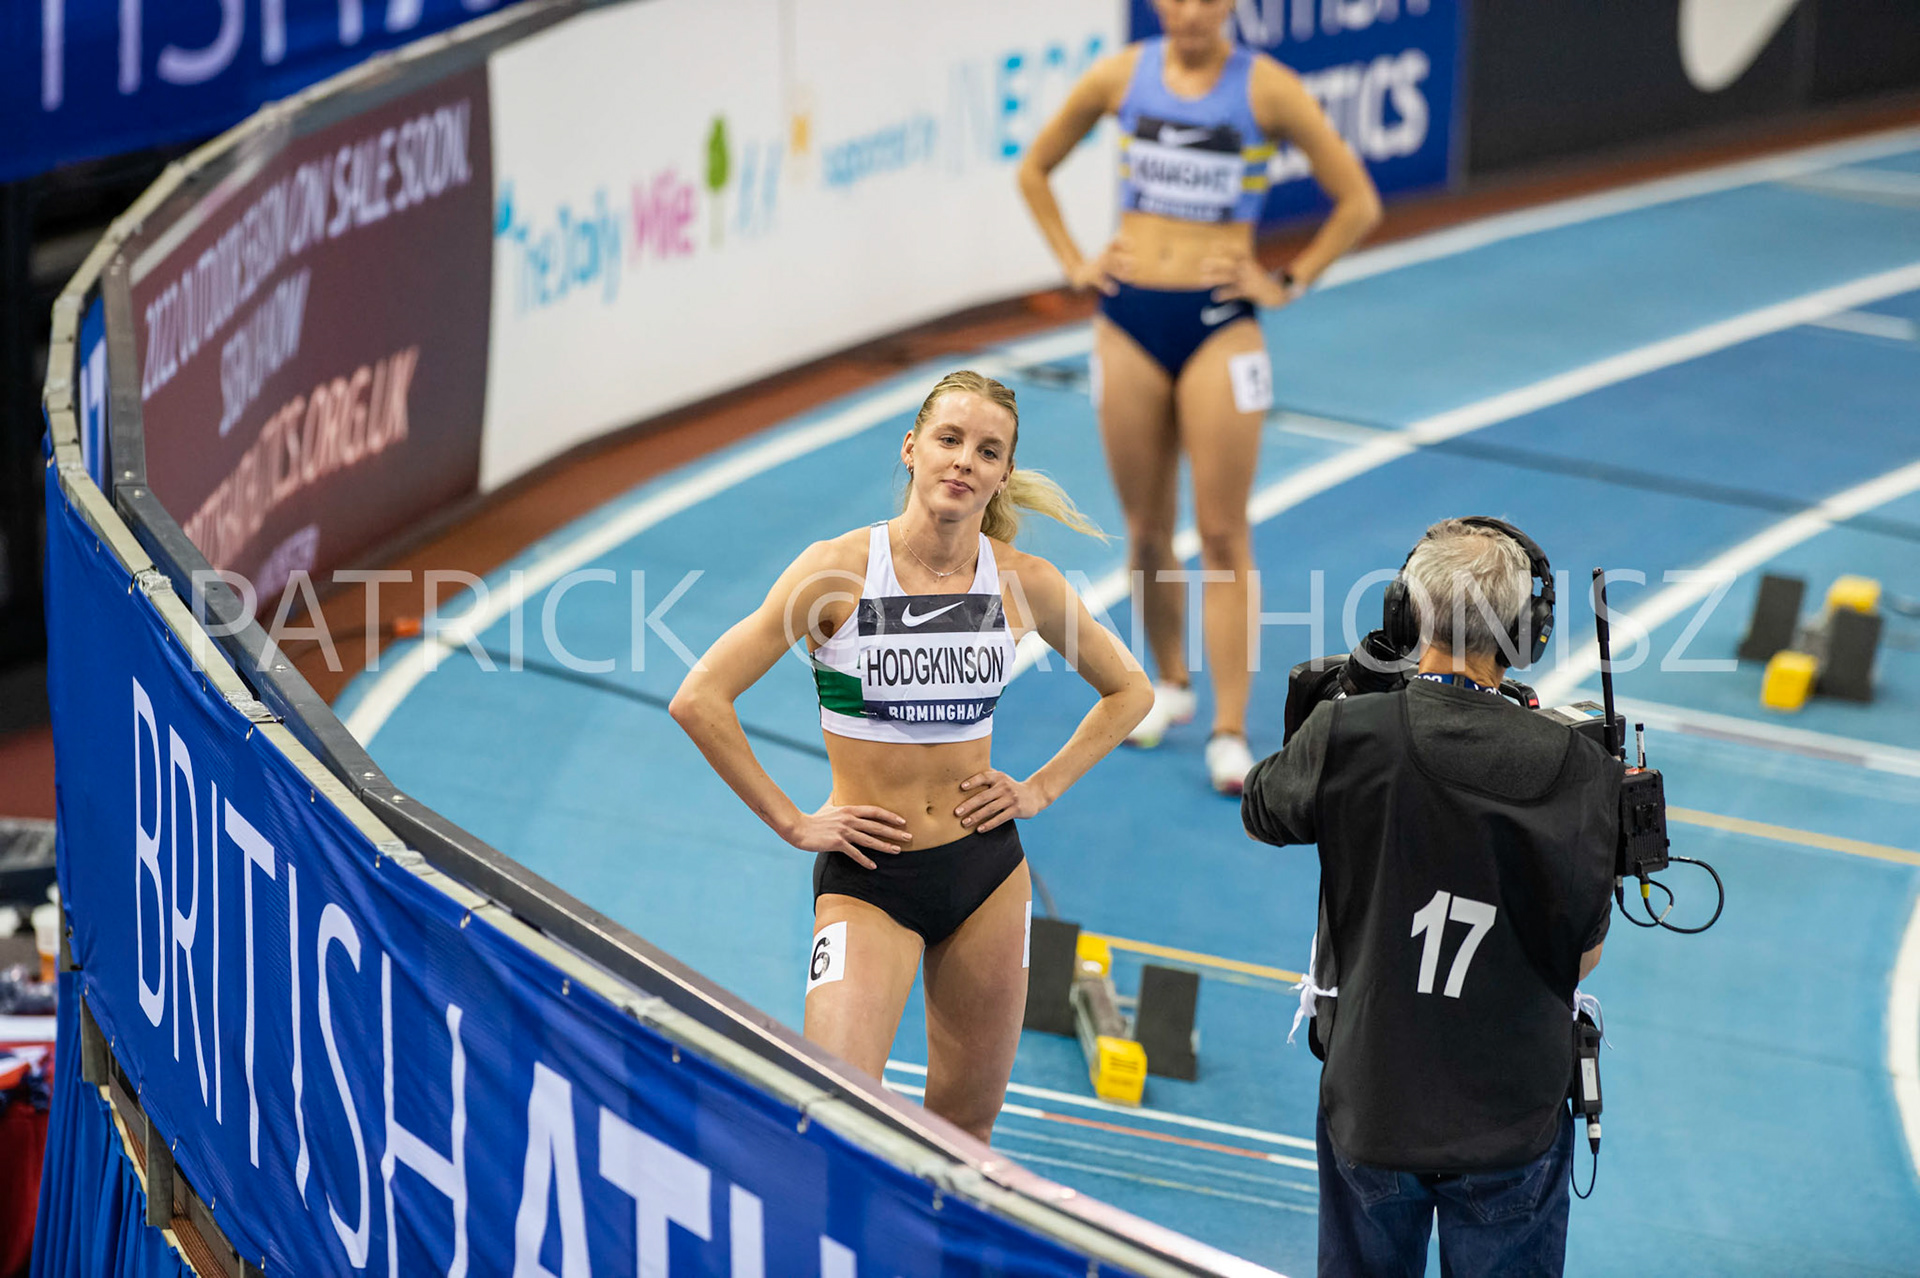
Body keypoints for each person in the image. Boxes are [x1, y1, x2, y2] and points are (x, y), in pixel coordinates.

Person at [669, 370, 1152, 1143]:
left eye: (987, 451)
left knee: (966, 1127)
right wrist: (793, 823)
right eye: (950, 440)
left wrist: (1039, 790)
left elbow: (1130, 691)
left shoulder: (1024, 583)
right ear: (912, 448)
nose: (965, 461)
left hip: (987, 875)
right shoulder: (837, 571)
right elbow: (700, 698)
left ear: (1002, 475)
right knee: (833, 1112)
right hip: (871, 879)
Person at [1017, 0, 1382, 794]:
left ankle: (1228, 729)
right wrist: (1075, 262)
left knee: (1221, 533)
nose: (1188, 11)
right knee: (1146, 530)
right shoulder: (1121, 75)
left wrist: (1286, 280)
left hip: (1220, 324)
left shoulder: (1269, 89)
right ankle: (1171, 684)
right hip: (1129, 320)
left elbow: (1357, 201)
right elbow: (1033, 167)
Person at [1240, 518, 1619, 1277]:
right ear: (1523, 631)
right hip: (1508, 1119)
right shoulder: (1580, 766)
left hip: (1372, 1101)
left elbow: (1263, 808)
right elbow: (1582, 959)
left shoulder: (1350, 731)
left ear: (1406, 614)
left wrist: (1339, 710)